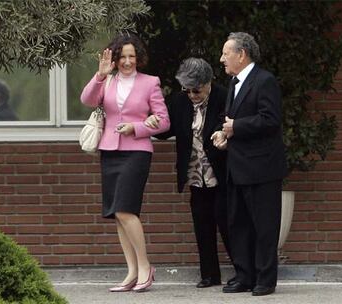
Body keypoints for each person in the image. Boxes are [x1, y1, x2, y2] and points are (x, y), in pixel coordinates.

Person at [80, 33, 170, 292]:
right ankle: (131, 271)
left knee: (125, 209)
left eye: (132, 56)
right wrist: (99, 74)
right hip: (110, 150)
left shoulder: (150, 82)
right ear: (116, 58)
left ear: (138, 57)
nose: (128, 62)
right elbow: (87, 100)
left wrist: (137, 127)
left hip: (137, 151)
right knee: (117, 215)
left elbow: (164, 121)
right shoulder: (106, 81)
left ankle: (145, 266)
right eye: (123, 57)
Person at [145, 58, 232, 288]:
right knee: (202, 225)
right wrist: (153, 123)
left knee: (228, 223)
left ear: (208, 82)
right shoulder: (179, 101)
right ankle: (210, 275)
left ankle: (244, 272)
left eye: (197, 90)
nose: (192, 95)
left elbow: (229, 125)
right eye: (187, 90)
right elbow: (167, 129)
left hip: (221, 171)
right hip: (195, 173)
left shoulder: (224, 96)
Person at [212, 32, 287, 296]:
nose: (222, 59)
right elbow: (231, 118)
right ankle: (244, 275)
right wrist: (224, 133)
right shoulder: (234, 83)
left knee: (264, 226)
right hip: (238, 166)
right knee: (239, 224)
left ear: (241, 54)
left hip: (262, 168)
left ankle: (265, 280)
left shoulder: (264, 81)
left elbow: (271, 119)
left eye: (226, 53)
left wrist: (236, 127)